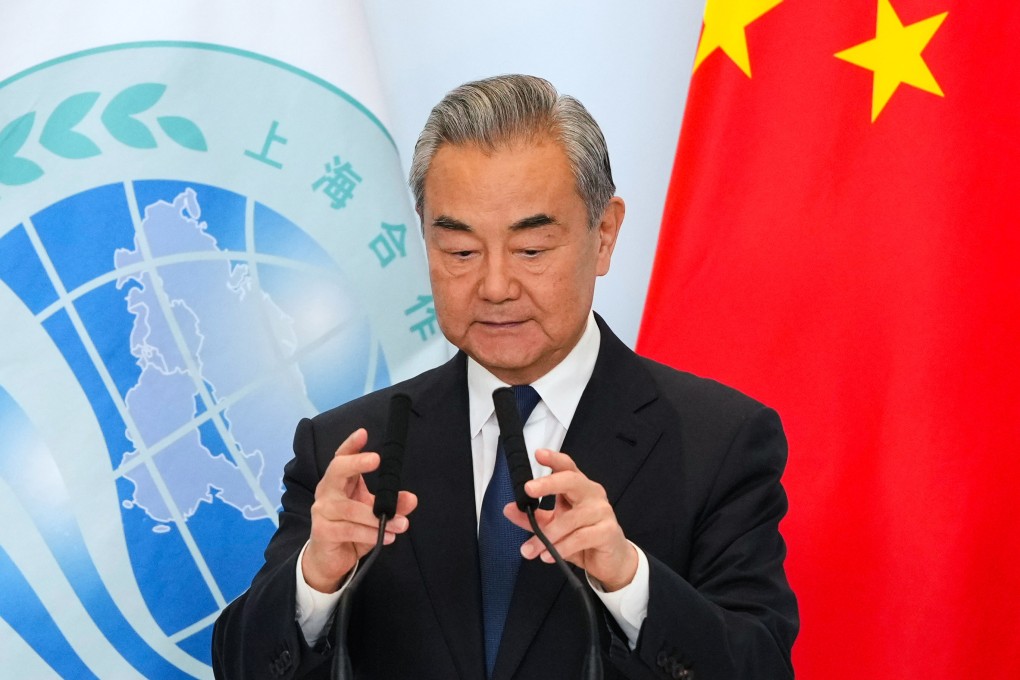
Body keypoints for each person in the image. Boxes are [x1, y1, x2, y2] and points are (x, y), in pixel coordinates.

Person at [212, 74, 798, 679]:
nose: (494, 286)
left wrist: (630, 581)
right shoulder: (350, 450)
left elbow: (761, 666)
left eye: (532, 249)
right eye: (461, 252)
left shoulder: (718, 441)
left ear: (604, 234)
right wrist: (316, 580)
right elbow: (240, 666)